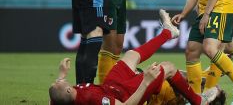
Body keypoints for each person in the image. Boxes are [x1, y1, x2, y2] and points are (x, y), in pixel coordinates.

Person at [49, 10, 220, 105]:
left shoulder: (63, 99)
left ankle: (169, 32)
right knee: (167, 67)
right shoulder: (93, 100)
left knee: (131, 55)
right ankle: (199, 101)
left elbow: (55, 98)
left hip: (111, 86)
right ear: (69, 90)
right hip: (126, 96)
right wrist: (145, 81)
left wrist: (61, 76)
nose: (59, 82)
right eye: (61, 83)